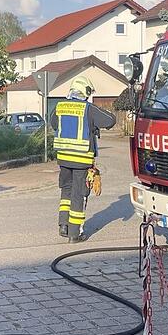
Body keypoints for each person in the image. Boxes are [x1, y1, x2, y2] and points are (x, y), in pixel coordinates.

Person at [49, 76, 116, 243]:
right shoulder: (88, 109)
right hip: (81, 159)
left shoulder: (60, 106)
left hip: (63, 158)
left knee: (66, 191)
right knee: (79, 194)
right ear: (85, 91)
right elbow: (110, 120)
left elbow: (54, 123)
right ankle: (75, 233)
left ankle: (63, 225)